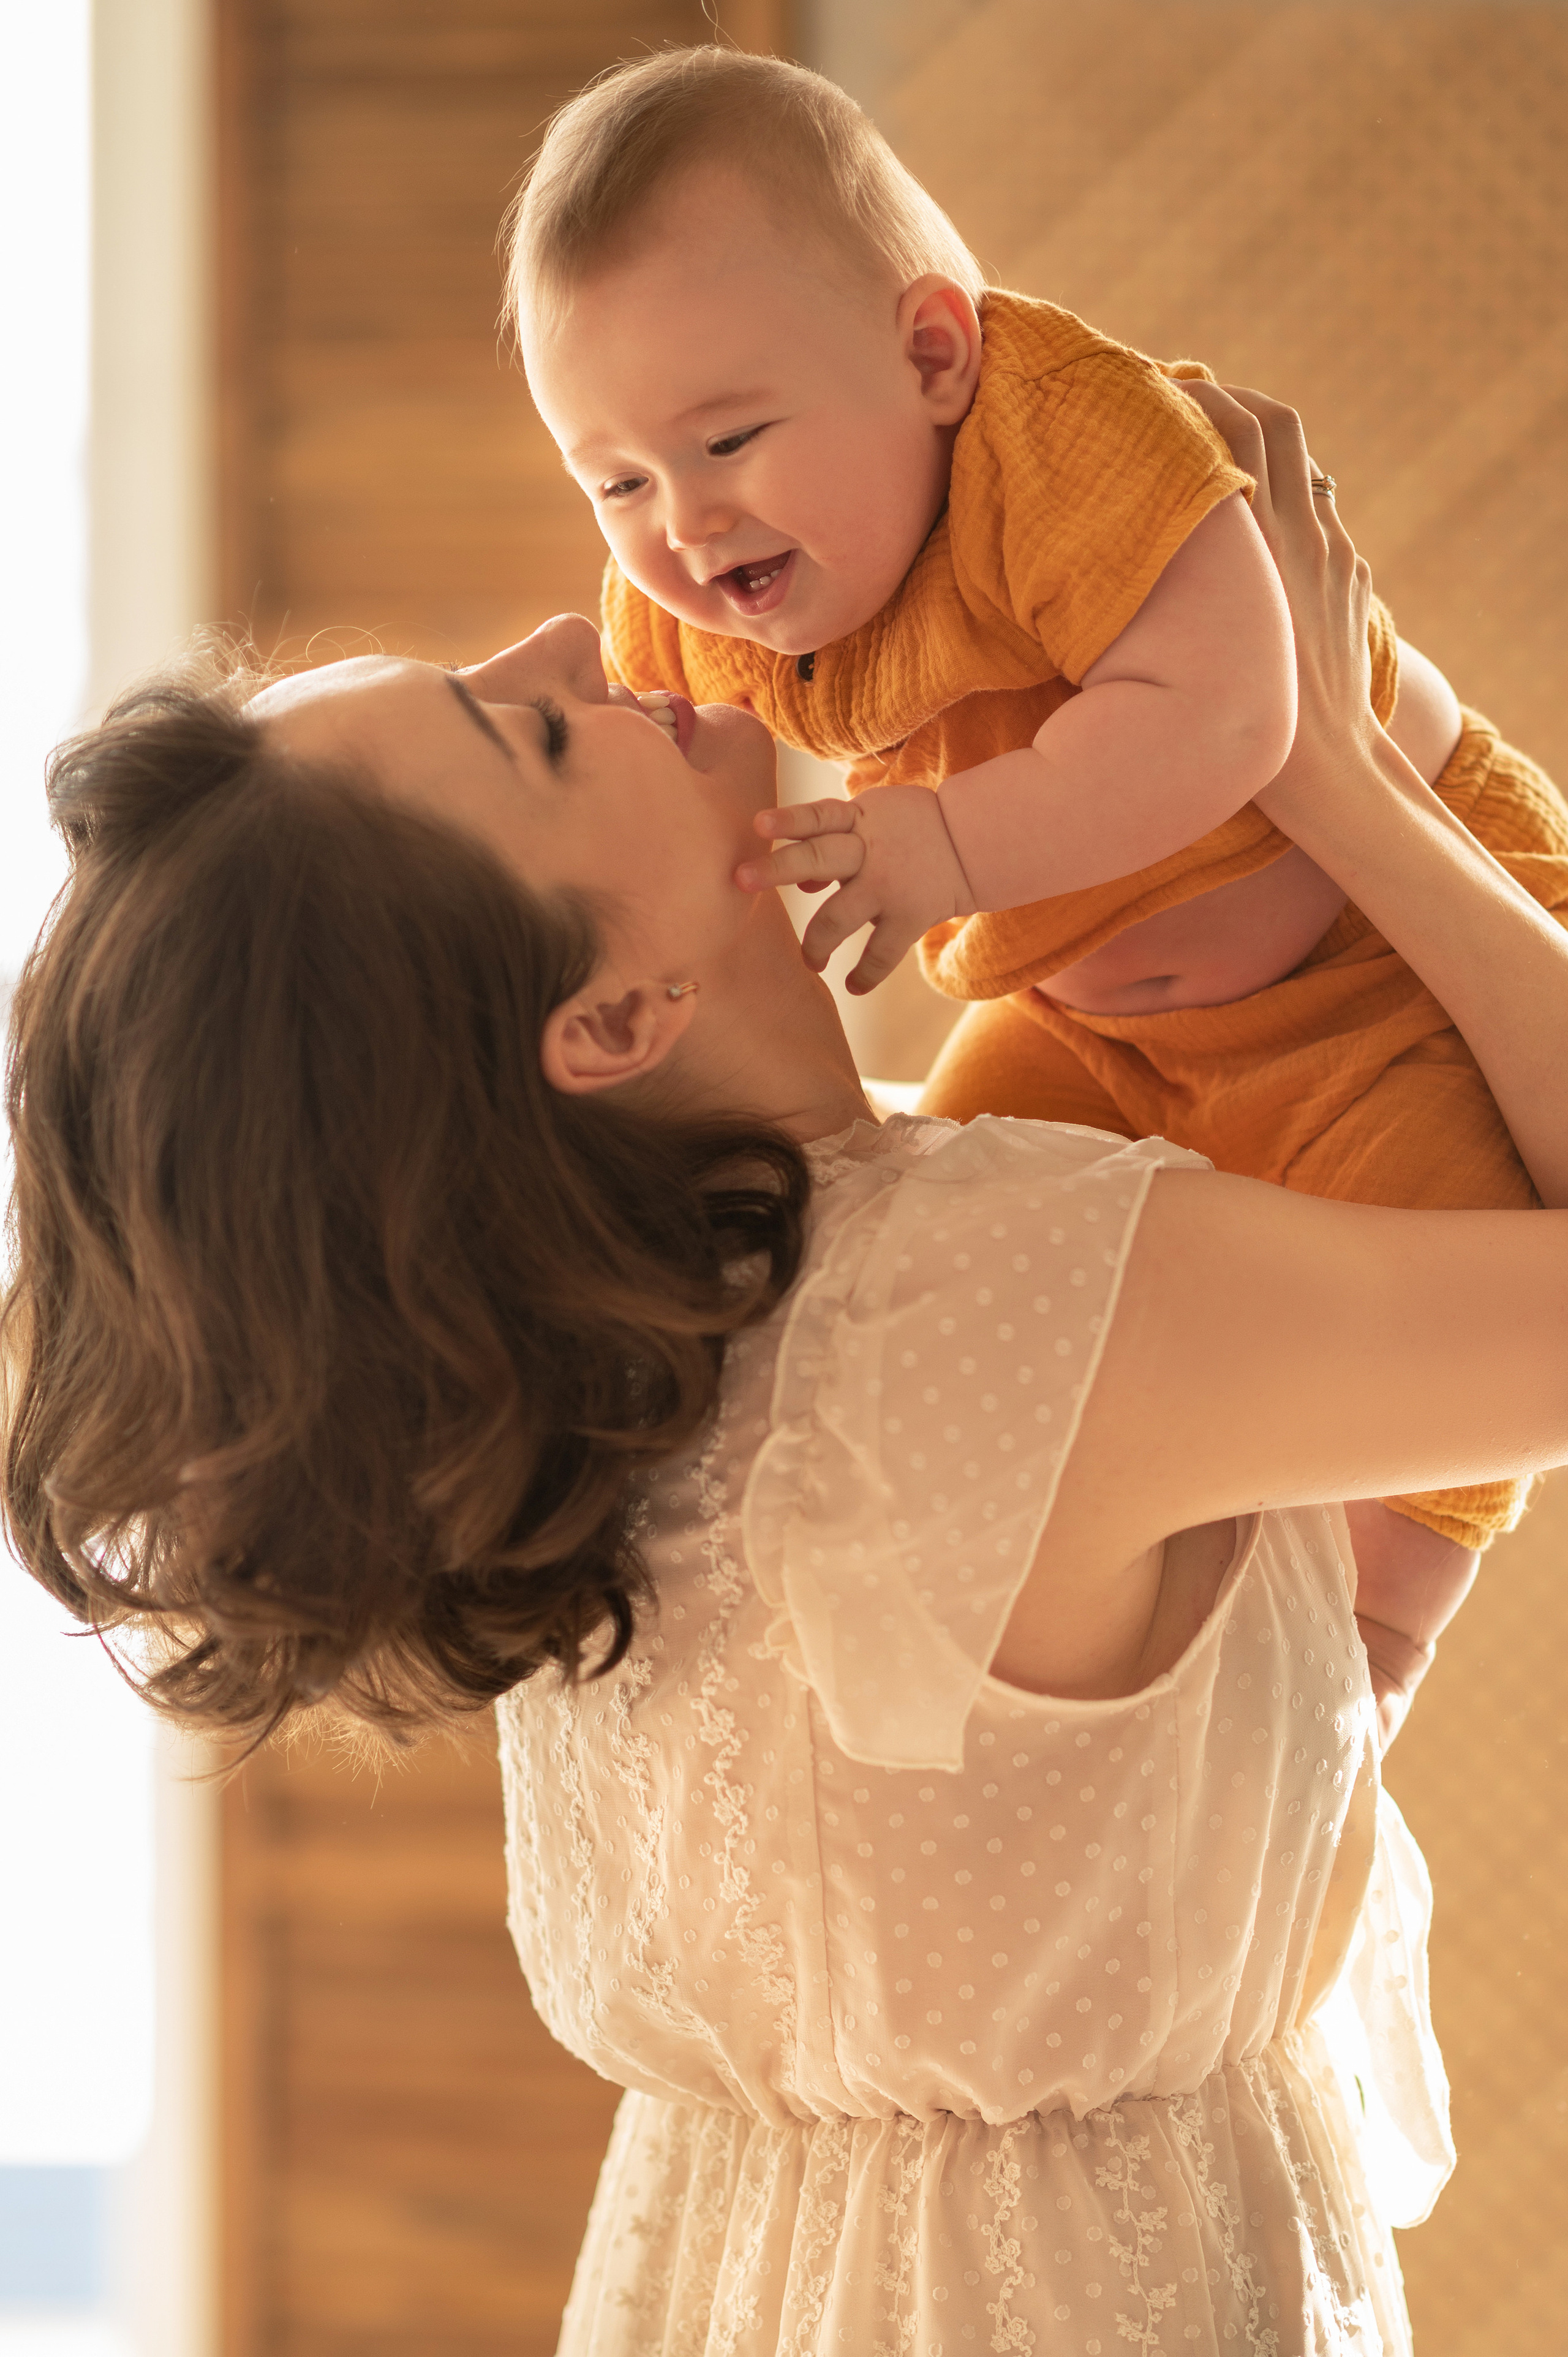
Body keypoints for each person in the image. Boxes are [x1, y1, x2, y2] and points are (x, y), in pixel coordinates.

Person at [6, 392, 1568, 2354]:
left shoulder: (634, 1373)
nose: (567, 636)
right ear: (612, 1017)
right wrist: (1329, 763)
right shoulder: (1030, 1292)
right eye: (530, 732)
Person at [510, 44, 1568, 1617]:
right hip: (1088, 1022)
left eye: (726, 442)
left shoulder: (1066, 445)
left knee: (1430, 1343)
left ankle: (1377, 1637)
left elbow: (1232, 717)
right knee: (930, 1231)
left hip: (1369, 988)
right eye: (612, 482)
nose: (682, 523)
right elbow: (662, 766)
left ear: (932, 355)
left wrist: (942, 845)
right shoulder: (691, 597)